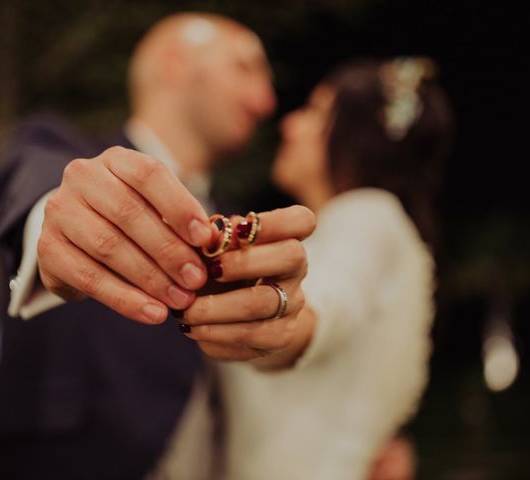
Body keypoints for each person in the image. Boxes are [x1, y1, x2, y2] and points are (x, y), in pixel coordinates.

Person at [0, 13, 316, 480]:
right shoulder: (57, 152)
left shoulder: (239, 228)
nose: (266, 102)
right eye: (245, 67)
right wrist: (55, 220)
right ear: (174, 63)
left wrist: (276, 327)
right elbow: (27, 188)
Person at [191, 57, 453, 479]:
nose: (290, 125)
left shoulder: (368, 216)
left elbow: (332, 302)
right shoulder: (364, 231)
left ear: (355, 138)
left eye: (315, 112)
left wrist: (282, 320)